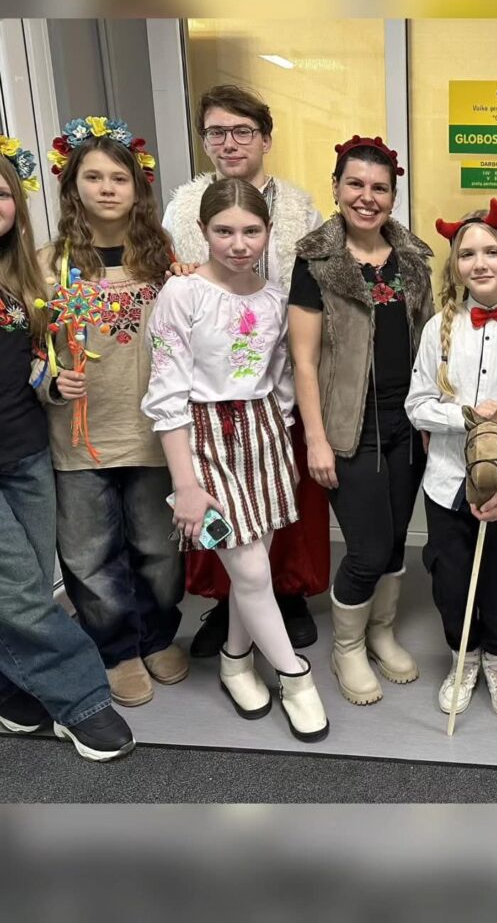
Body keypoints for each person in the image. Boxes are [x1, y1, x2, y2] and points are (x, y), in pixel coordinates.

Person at [142, 178, 329, 742]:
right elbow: (166, 393)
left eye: (251, 231)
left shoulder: (274, 299)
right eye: (224, 231)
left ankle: (235, 660)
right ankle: (296, 677)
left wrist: (282, 437)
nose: (239, 244)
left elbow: (280, 378)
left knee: (257, 570)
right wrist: (186, 484)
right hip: (203, 439)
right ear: (202, 231)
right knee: (247, 571)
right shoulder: (181, 294)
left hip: (263, 434)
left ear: (269, 232)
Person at [162, 84, 328, 655]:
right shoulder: (184, 206)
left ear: (265, 139)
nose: (229, 143)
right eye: (216, 132)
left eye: (242, 131)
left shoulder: (300, 208)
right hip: (209, 384)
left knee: (279, 501)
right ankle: (228, 605)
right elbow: (170, 281)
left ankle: (286, 595)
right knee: (223, 510)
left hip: (274, 377)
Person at [34, 117, 185, 709]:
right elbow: (26, 352)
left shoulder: (163, 260)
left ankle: (157, 637)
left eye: (118, 178)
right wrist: (50, 382)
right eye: (93, 177)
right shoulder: (47, 264)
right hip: (80, 441)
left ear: (137, 187)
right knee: (90, 556)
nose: (106, 188)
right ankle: (118, 651)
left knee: (159, 550)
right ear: (72, 186)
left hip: (153, 435)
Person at [0, 136, 134, 760]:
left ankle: (10, 691)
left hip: (26, 452)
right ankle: (83, 701)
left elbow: (34, 360)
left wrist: (51, 382)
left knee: (20, 584)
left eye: (3, 194)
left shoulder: (22, 277)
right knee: (24, 592)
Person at [290, 136, 433, 707]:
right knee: (368, 549)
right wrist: (316, 440)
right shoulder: (316, 263)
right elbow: (303, 360)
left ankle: (380, 632)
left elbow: (428, 344)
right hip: (350, 430)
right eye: (355, 184)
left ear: (393, 196)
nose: (366, 197)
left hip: (408, 425)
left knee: (395, 541)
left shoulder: (412, 261)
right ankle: (347, 646)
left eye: (379, 187)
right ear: (336, 188)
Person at [406, 199, 497, 719]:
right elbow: (417, 405)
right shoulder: (437, 329)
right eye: (467, 254)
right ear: (455, 266)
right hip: (447, 480)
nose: (480, 262)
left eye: (491, 251)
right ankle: (463, 658)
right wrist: (466, 417)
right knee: (451, 578)